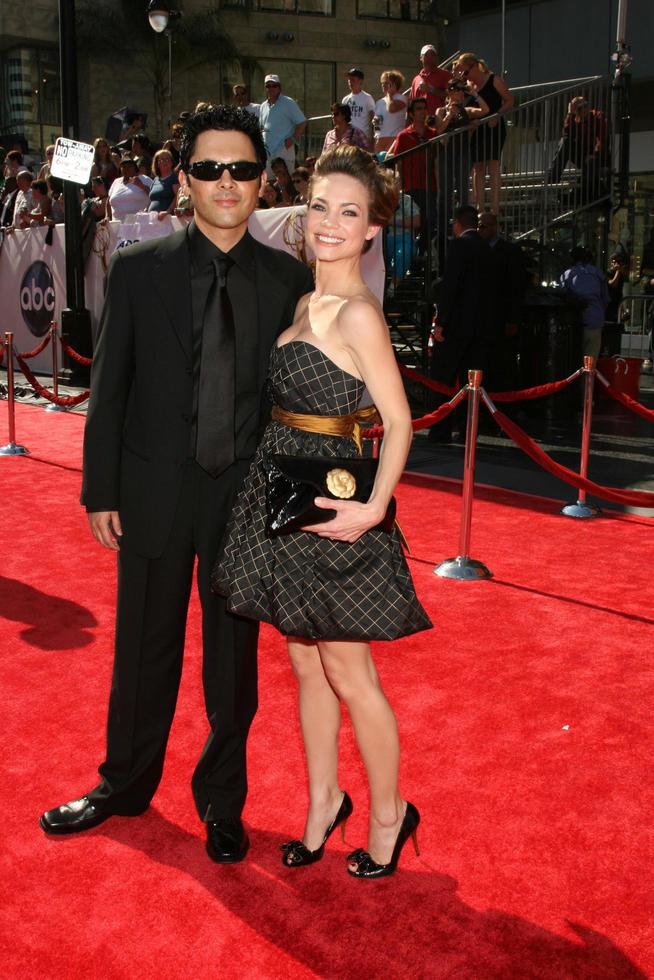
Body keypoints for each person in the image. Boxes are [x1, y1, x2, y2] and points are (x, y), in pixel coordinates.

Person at [39, 105, 315, 866]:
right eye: (208, 168)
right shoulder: (137, 270)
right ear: (182, 179)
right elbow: (112, 391)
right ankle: (123, 784)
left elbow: (298, 403)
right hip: (154, 492)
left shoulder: (290, 280)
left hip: (244, 503)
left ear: (263, 180)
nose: (227, 183)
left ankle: (223, 804)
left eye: (243, 169)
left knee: (234, 663)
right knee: (142, 650)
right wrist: (100, 489)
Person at [213, 145, 431, 878]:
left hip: (337, 510)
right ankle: (322, 803)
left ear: (373, 229)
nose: (330, 223)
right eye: (319, 207)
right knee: (304, 665)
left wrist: (372, 512)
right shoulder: (307, 303)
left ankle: (389, 815)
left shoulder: (361, 315)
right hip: (286, 495)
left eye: (349, 212)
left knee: (349, 672)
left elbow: (399, 422)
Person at [429, 205, 493, 441]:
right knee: (473, 382)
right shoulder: (488, 248)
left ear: (457, 223)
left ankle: (440, 429)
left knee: (443, 378)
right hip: (481, 327)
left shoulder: (459, 245)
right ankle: (468, 431)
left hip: (456, 326)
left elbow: (451, 287)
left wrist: (441, 322)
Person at [455, 53, 513, 216]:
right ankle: (479, 208)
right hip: (477, 128)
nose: (465, 76)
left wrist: (498, 114)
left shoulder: (494, 79)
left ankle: (494, 208)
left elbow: (509, 100)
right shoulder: (468, 85)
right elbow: (459, 105)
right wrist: (461, 83)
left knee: (493, 165)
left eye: (466, 72)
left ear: (473, 67)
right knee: (478, 167)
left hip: (494, 125)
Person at [477, 211, 527, 392]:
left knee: (503, 362)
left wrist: (512, 318)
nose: (480, 230)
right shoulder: (477, 250)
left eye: (484, 226)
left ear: (495, 227)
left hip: (502, 317)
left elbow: (516, 287)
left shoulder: (510, 251)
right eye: (478, 226)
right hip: (481, 319)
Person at [388, 98, 437, 257]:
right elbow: (398, 163)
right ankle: (412, 256)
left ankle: (421, 254)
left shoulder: (433, 134)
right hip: (410, 186)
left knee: (428, 222)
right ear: (411, 113)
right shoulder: (403, 136)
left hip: (430, 186)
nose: (422, 112)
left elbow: (436, 161)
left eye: (424, 108)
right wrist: (400, 186)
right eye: (418, 109)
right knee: (414, 224)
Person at [547, 97, 609, 206]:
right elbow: (566, 135)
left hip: (598, 155)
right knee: (564, 142)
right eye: (580, 108)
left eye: (585, 105)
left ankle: (575, 195)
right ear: (575, 111)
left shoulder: (597, 116)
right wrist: (570, 114)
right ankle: (552, 180)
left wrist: (594, 154)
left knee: (591, 164)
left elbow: (602, 139)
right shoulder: (574, 120)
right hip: (582, 153)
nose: (584, 109)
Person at [559, 246, 609, 361]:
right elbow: (605, 300)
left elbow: (563, 298)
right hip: (594, 321)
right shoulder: (598, 273)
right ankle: (588, 379)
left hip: (573, 324)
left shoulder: (567, 275)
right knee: (590, 364)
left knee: (572, 363)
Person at [259, 74, 306, 175]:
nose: (271, 88)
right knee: (269, 185)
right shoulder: (263, 106)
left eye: (274, 85)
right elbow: (262, 127)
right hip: (268, 153)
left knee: (286, 183)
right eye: (268, 86)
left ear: (279, 87)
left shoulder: (288, 103)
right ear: (265, 88)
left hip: (284, 151)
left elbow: (302, 122)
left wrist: (292, 140)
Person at [409, 44, 452, 118]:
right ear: (421, 58)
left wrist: (431, 89)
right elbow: (411, 102)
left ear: (436, 57)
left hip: (439, 121)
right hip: (420, 123)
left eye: (433, 55)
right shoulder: (416, 79)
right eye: (426, 55)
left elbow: (452, 97)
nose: (430, 58)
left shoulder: (445, 75)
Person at [373, 71, 408, 155]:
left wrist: (389, 94)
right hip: (380, 139)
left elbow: (391, 108)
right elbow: (377, 123)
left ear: (395, 84)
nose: (383, 85)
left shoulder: (402, 98)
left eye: (387, 83)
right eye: (382, 83)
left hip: (394, 138)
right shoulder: (379, 102)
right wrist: (374, 121)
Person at [341, 68, 375, 150]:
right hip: (348, 138)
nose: (350, 82)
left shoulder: (367, 98)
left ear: (360, 81)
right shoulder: (345, 99)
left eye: (352, 79)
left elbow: (373, 120)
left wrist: (372, 140)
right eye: (349, 79)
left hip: (362, 138)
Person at [148, 148, 180, 217]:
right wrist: (145, 210)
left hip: (166, 219)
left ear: (172, 163)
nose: (165, 161)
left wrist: (168, 211)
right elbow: (152, 200)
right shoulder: (155, 179)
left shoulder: (174, 178)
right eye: (162, 159)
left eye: (167, 159)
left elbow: (178, 196)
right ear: (157, 164)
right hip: (153, 218)